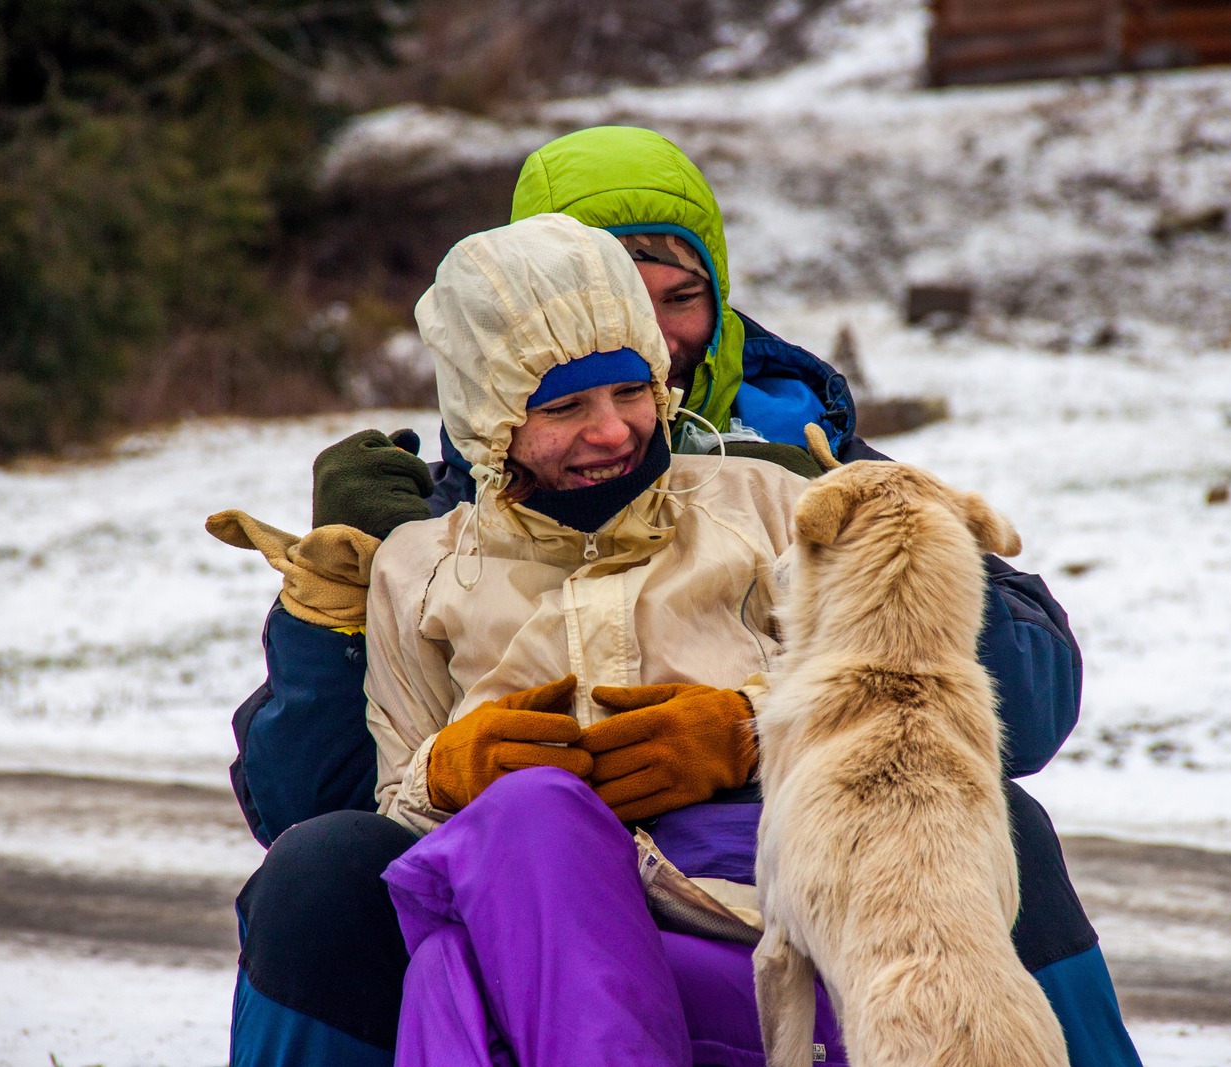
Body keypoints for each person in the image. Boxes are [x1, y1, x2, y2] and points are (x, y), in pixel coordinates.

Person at [225, 128, 1142, 1066]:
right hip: (526, 892)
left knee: (996, 825)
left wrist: (769, 703)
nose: (650, 344)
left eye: (678, 299)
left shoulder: (787, 489)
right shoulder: (422, 546)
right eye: (604, 288)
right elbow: (334, 796)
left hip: (757, 865)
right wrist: (344, 640)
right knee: (331, 872)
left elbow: (976, 702)